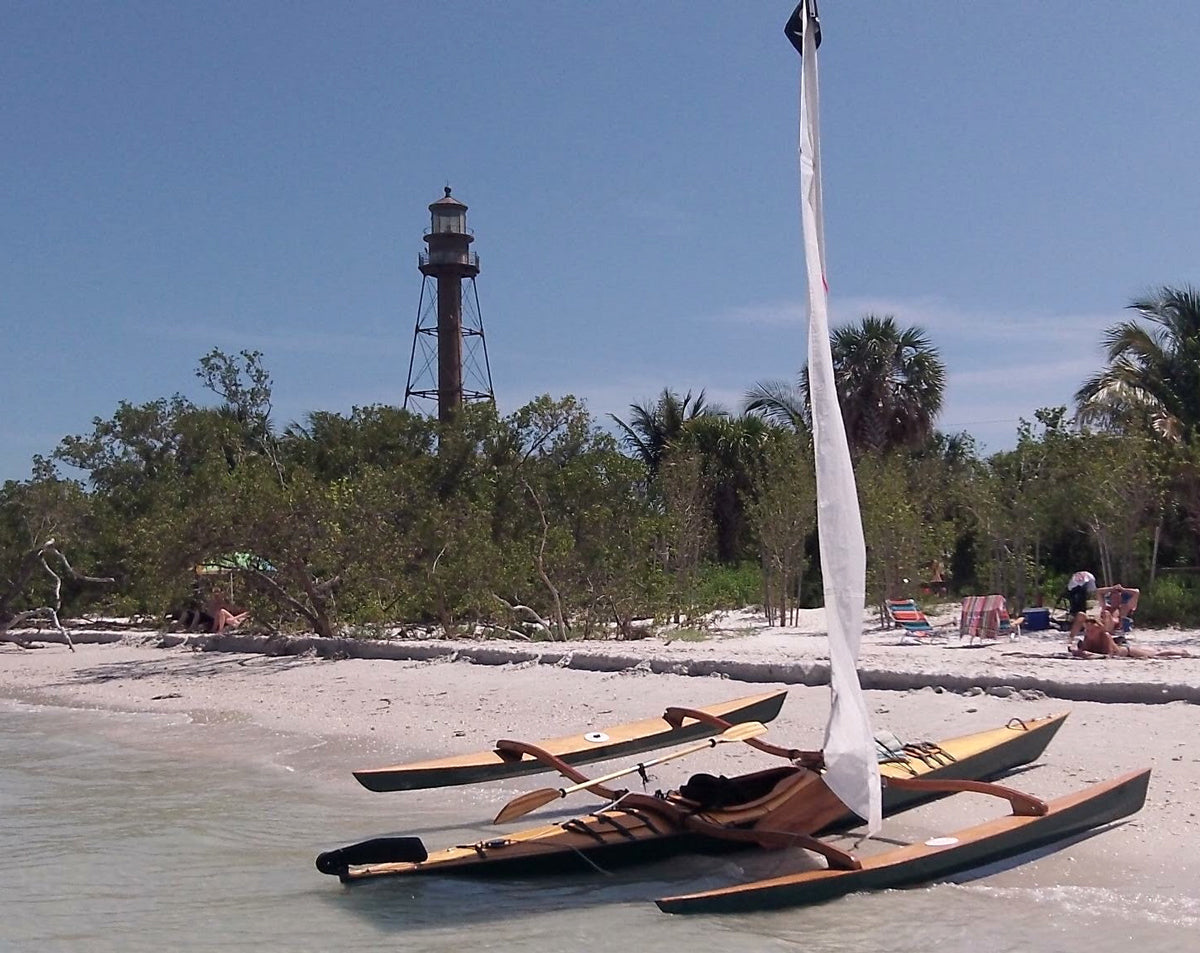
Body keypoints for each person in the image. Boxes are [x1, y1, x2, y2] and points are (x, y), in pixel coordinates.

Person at [1071, 617, 1192, 659]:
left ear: (1098, 629)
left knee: (1155, 655)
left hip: (1128, 652)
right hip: (1123, 651)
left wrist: (1088, 654)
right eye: (1086, 630)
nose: (1088, 632)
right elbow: (1085, 652)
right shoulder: (1087, 638)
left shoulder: (1105, 636)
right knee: (1153, 652)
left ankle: (1181, 652)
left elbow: (1109, 655)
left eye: (1091, 630)